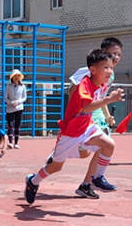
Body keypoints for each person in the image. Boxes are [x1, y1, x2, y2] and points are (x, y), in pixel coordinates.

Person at [24, 48, 124, 203]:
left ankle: (96, 178)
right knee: (56, 166)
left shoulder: (102, 84)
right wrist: (109, 100)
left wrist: (108, 105)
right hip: (70, 132)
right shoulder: (84, 85)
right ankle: (33, 181)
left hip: (87, 127)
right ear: (92, 69)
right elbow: (87, 107)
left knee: (109, 144)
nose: (110, 71)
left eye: (111, 67)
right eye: (106, 67)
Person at [68, 37, 124, 192]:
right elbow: (71, 90)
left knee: (102, 146)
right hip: (84, 112)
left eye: (119, 54)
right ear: (103, 53)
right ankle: (58, 156)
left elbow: (101, 96)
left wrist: (107, 115)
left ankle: (89, 182)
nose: (116, 58)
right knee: (90, 150)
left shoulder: (109, 74)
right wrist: (77, 109)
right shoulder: (89, 70)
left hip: (97, 112)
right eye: (113, 54)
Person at [5, 69, 27, 149]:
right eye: (15, 76)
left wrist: (17, 102)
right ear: (12, 77)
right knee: (10, 125)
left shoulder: (23, 86)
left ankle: (16, 143)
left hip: (19, 108)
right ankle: (10, 142)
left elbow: (24, 98)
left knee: (17, 126)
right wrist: (11, 102)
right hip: (10, 108)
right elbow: (5, 98)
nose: (16, 78)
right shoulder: (8, 86)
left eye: (18, 76)